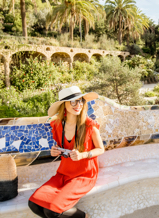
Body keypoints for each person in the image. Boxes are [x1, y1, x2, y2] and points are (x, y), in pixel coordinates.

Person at [28, 86, 104, 218]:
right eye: (73, 102)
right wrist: (55, 151)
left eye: (80, 101)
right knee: (34, 204)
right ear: (64, 105)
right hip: (64, 173)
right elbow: (62, 148)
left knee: (52, 211)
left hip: (84, 175)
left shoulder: (89, 125)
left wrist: (83, 155)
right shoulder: (57, 125)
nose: (78, 105)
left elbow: (101, 149)